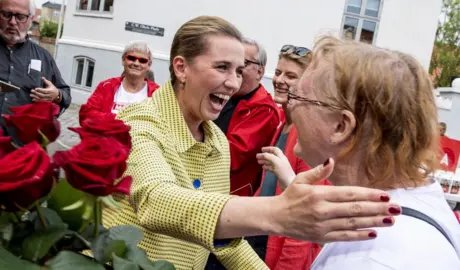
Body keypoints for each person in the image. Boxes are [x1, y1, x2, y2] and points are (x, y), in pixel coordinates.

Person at [102, 16, 402, 270]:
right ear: (181, 68)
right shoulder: (138, 123)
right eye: (222, 67)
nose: (233, 83)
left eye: (238, 71)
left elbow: (224, 242)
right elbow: (156, 202)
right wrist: (276, 214)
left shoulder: (217, 141)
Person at [258, 36, 460, 270]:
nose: (290, 105)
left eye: (299, 97)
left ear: (341, 126)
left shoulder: (369, 260)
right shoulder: (412, 200)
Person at [255, 45, 330, 270]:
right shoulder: (283, 124)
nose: (279, 80)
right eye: (278, 72)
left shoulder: (307, 134)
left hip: (279, 253)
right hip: (261, 242)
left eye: (291, 76)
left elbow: (304, 221)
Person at [0, 0, 71, 132]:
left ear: (31, 19)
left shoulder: (43, 56)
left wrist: (57, 95)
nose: (12, 22)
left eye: (20, 17)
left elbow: (65, 95)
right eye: (6, 14)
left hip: (21, 147)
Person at [213, 37, 280, 197]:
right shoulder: (224, 94)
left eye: (245, 63)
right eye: (233, 62)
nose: (238, 68)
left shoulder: (264, 109)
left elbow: (233, 156)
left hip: (229, 197)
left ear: (260, 71)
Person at [78, 41, 159, 125]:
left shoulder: (157, 93)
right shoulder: (106, 86)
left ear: (149, 65)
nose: (136, 63)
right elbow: (86, 115)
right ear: (123, 60)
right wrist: (122, 121)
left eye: (142, 60)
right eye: (131, 58)